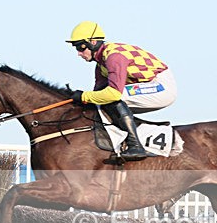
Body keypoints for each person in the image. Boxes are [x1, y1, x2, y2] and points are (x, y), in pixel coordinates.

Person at [66, 21, 177, 160]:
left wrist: (84, 96)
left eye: (80, 47)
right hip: (148, 86)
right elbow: (97, 95)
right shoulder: (101, 66)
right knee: (101, 102)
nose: (78, 53)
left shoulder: (114, 57)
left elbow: (113, 94)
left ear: (93, 42)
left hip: (161, 86)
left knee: (113, 96)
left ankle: (136, 146)